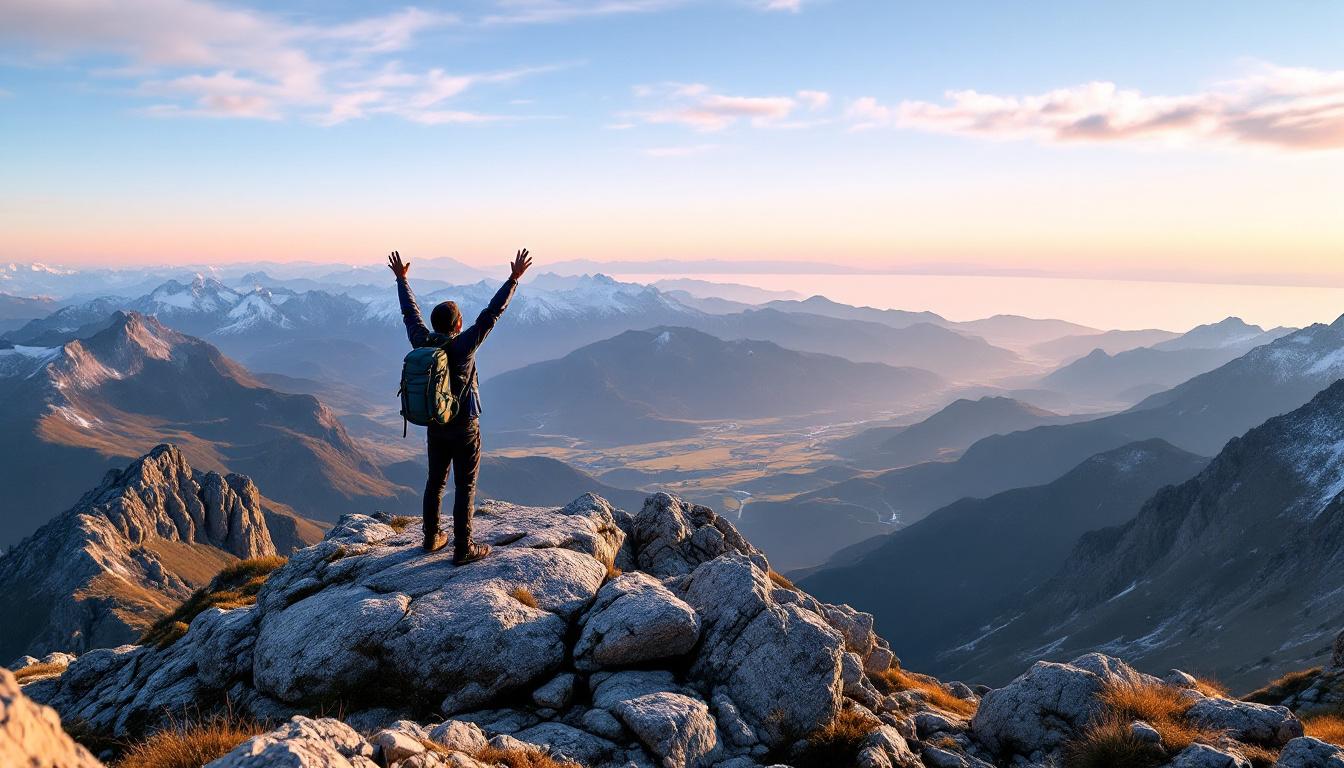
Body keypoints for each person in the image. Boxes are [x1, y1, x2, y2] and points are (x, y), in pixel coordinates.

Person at [387, 248, 532, 563]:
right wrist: (513, 279)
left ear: (434, 324)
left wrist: (402, 280)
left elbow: (409, 314)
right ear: (459, 324)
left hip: (436, 424)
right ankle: (464, 548)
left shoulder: (422, 341)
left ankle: (431, 538)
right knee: (465, 485)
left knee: (435, 482)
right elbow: (491, 314)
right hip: (465, 427)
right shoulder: (464, 345)